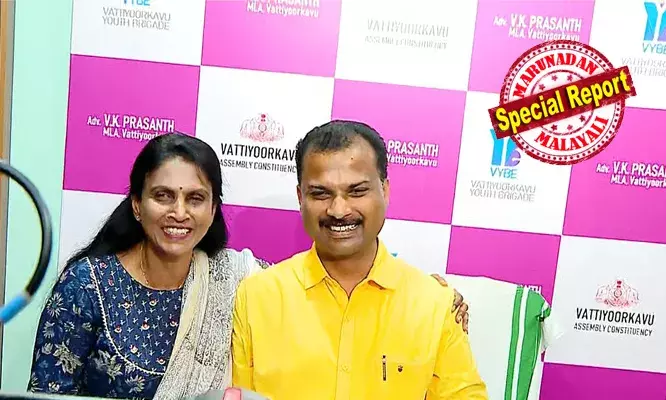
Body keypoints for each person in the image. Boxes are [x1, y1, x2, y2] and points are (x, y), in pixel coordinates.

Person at [27, 133, 469, 399]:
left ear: (213, 209)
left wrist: (432, 295)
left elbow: (331, 270)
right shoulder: (87, 285)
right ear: (137, 205)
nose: (179, 212)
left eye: (195, 198)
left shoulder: (238, 280)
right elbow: (48, 394)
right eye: (163, 196)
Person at [231, 121, 488, 399]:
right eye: (320, 193)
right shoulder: (256, 297)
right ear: (300, 197)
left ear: (385, 191)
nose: (338, 210)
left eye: (357, 191)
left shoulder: (434, 304)